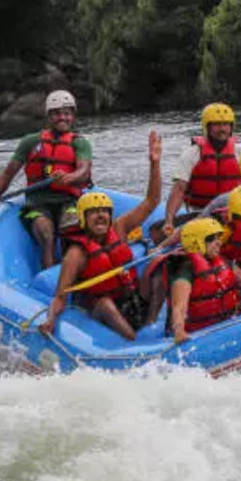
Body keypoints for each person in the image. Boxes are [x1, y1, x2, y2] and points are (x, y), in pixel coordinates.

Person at [37, 131, 163, 340]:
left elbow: (152, 201)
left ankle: (152, 326)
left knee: (158, 265)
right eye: (94, 212)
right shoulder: (76, 254)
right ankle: (133, 344)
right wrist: (50, 320)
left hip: (131, 301)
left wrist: (154, 164)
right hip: (102, 313)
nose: (101, 216)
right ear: (83, 218)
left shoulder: (119, 229)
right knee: (105, 304)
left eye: (104, 211)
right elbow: (60, 297)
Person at [0, 90, 94, 269]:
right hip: (37, 203)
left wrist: (69, 177)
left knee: (71, 227)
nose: (62, 118)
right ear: (49, 116)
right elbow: (7, 174)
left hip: (70, 201)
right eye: (57, 113)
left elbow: (84, 170)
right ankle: (49, 276)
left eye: (67, 113)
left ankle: (73, 270)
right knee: (46, 232)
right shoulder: (30, 142)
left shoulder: (79, 143)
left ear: (73, 116)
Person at [164, 217, 241, 344]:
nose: (219, 242)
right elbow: (179, 307)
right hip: (198, 332)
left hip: (227, 323)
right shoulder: (184, 269)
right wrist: (179, 331)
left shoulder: (223, 262)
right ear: (196, 241)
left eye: (218, 238)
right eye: (211, 239)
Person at [162, 102, 241, 235]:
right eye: (216, 124)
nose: (222, 129)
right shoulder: (191, 154)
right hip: (200, 212)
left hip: (232, 212)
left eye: (226, 124)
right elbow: (179, 189)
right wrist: (169, 221)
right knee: (158, 232)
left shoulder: (240, 153)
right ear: (207, 127)